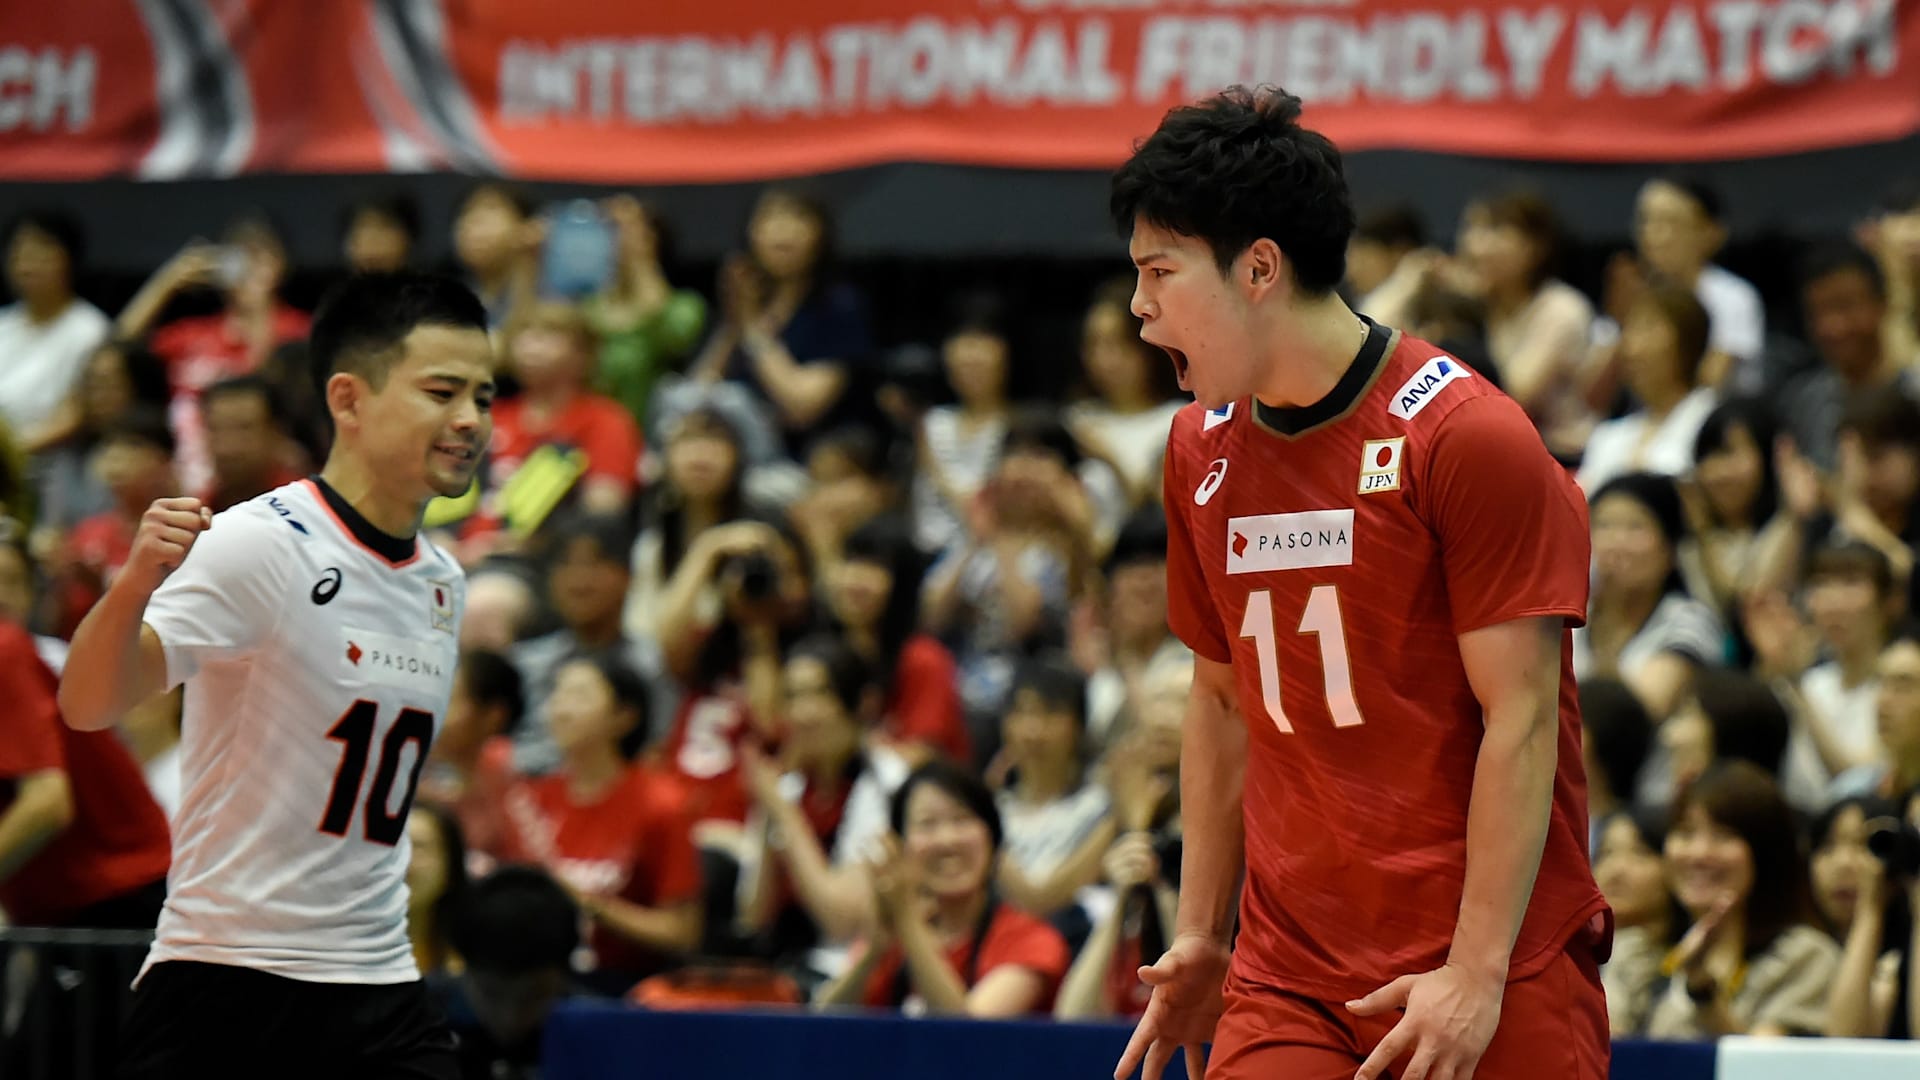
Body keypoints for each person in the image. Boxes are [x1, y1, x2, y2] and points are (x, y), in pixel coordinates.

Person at [1109, 87, 1609, 1080]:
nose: (1138, 308)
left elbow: (1522, 719)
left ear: (1258, 268)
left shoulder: (1465, 436)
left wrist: (1474, 975)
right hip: (1290, 972)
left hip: (1491, 956)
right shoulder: (1196, 450)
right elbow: (1218, 700)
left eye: (1159, 273)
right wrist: (1203, 930)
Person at [58, 271, 495, 1079]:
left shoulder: (443, 580)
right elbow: (87, 704)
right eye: (442, 391)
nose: (469, 420)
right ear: (348, 399)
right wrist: (133, 583)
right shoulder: (262, 542)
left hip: (379, 983)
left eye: (484, 396)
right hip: (228, 985)